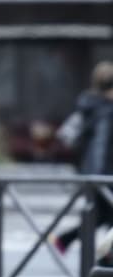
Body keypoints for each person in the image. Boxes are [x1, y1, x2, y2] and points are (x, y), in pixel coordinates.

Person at [51, 60, 113, 255]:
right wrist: (100, 176)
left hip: (92, 172)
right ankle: (104, 261)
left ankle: (65, 240)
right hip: (103, 174)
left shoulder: (88, 105)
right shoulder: (106, 111)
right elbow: (100, 147)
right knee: (105, 216)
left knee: (102, 217)